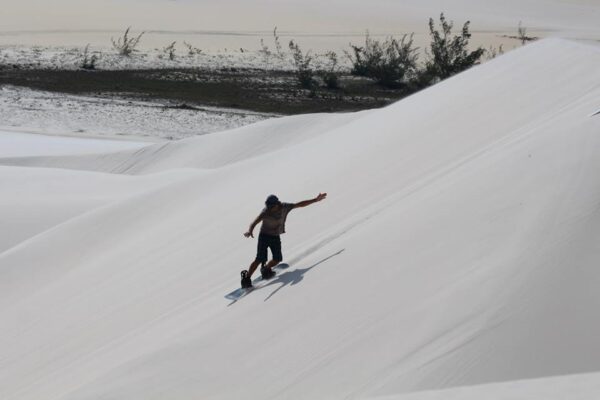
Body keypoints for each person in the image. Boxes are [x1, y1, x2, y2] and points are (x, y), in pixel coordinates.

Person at [241, 193, 327, 288]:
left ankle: (266, 269)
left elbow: (299, 204)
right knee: (260, 258)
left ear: (277, 204)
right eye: (268, 206)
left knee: (277, 259)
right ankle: (246, 278)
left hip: (275, 236)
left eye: (271, 206)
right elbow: (255, 222)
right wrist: (250, 231)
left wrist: (315, 200)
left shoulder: (285, 207)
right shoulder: (265, 212)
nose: (269, 208)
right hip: (264, 237)